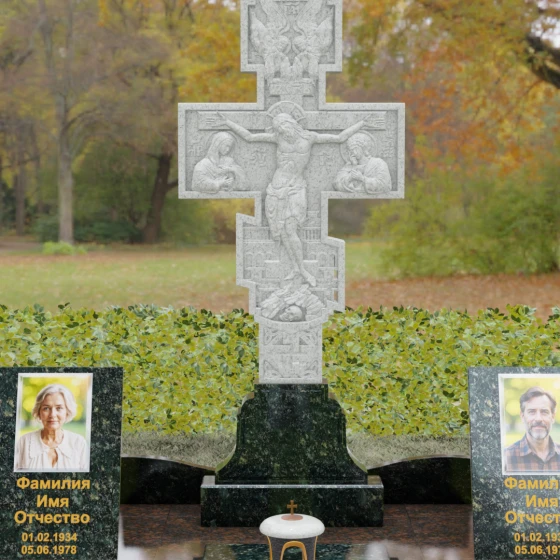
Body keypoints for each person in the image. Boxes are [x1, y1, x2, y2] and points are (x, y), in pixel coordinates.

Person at [219, 110, 375, 287]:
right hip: (276, 188)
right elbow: (249, 137)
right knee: (283, 231)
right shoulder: (278, 138)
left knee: (291, 229)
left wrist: (361, 124)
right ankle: (296, 268)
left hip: (296, 188)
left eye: (283, 125)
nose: (282, 130)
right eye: (278, 128)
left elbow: (339, 138)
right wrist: (228, 123)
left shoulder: (310, 137)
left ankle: (301, 269)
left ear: (292, 123)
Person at [15, 384, 88, 471]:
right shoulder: (24, 442)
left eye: (59, 408)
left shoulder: (79, 443)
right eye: (46, 408)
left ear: (67, 412)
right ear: (39, 412)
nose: (52, 414)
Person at [504, 386, 560, 472]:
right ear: (522, 416)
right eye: (532, 412)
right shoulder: (505, 458)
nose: (538, 419)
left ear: (552, 417)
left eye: (544, 412)